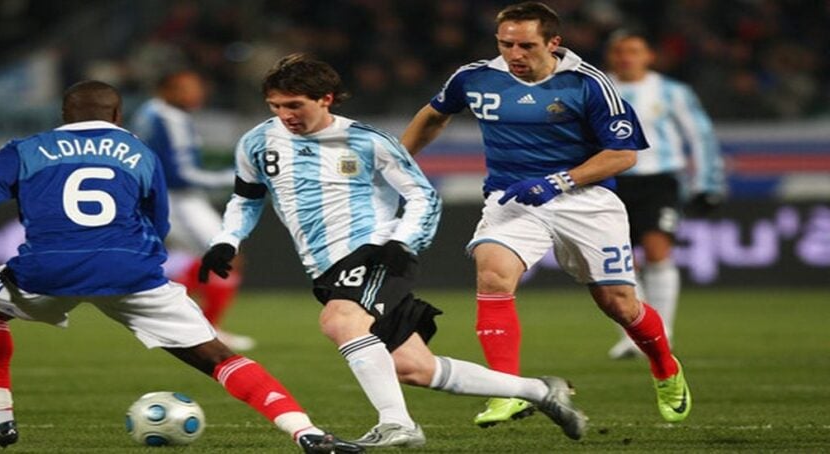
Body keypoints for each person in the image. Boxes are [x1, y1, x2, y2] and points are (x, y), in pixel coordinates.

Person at [0, 80, 362, 454]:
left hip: (48, 270)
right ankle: (307, 433)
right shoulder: (139, 152)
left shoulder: (26, 150)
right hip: (131, 271)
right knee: (217, 356)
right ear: (118, 115)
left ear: (63, 116)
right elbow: (159, 221)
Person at [199, 53, 587, 448]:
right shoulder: (257, 142)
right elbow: (246, 198)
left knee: (340, 320)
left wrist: (403, 242)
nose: (285, 115)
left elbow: (422, 196)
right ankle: (541, 391)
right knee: (413, 367)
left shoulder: (369, 142)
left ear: (325, 99)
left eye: (294, 105)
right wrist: (226, 239)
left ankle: (397, 423)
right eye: (276, 106)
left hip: (375, 251)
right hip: (325, 267)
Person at [400, 1, 691, 427]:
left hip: (586, 201)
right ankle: (507, 391)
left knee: (619, 304)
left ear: (554, 43)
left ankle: (664, 366)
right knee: (493, 274)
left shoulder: (588, 83)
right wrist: (399, 164)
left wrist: (558, 181)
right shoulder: (474, 77)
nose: (514, 54)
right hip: (512, 197)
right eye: (505, 44)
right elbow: (433, 115)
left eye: (526, 45)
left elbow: (623, 154)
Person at [604, 30, 725, 359]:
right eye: (619, 51)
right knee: (619, 262)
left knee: (657, 251)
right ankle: (634, 336)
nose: (625, 57)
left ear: (649, 56)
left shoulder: (672, 92)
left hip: (659, 180)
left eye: (633, 50)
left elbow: (699, 136)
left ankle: (663, 333)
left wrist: (707, 184)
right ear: (610, 56)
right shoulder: (597, 89)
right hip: (610, 180)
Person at [129, 69, 255, 351]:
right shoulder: (169, 118)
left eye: (198, 86)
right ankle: (206, 329)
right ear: (167, 90)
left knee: (196, 261)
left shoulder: (148, 113)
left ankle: (178, 323)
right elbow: (180, 174)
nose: (197, 93)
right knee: (227, 256)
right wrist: (236, 178)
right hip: (178, 199)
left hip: (161, 198)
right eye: (187, 87)